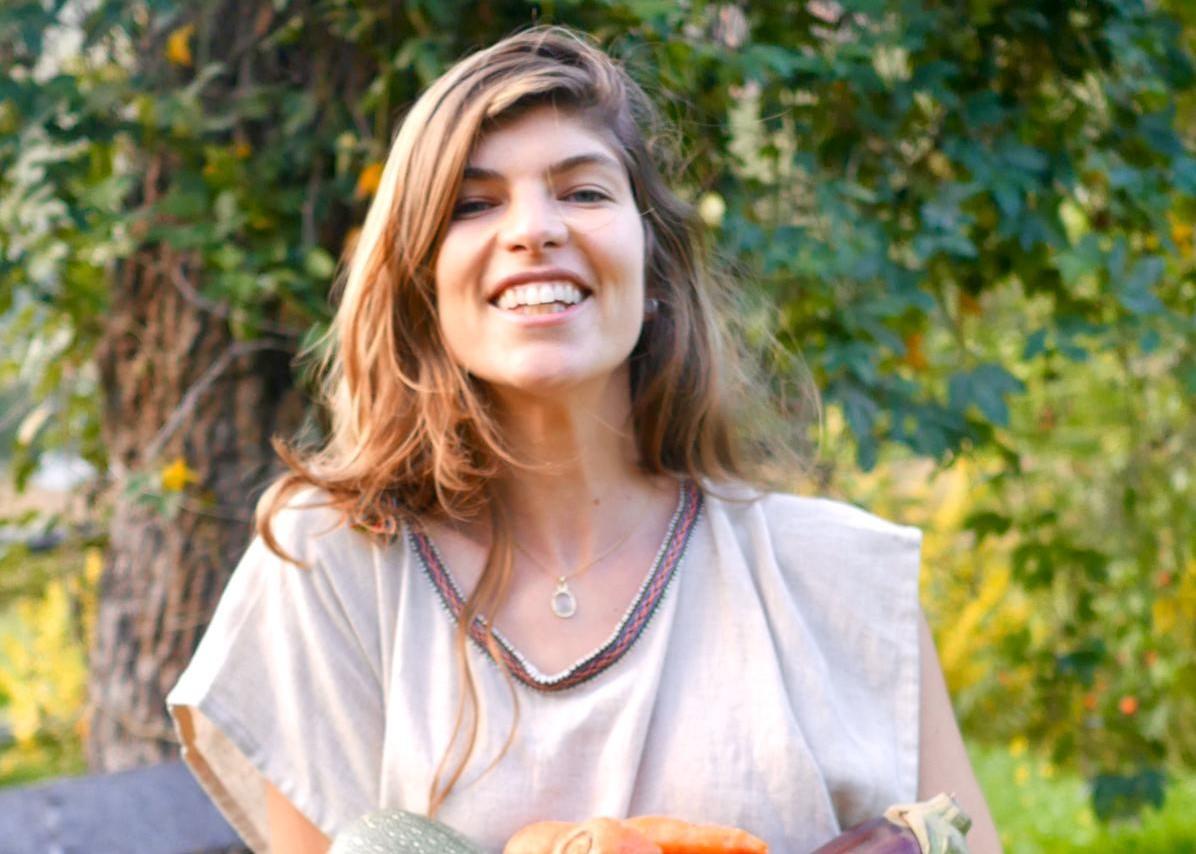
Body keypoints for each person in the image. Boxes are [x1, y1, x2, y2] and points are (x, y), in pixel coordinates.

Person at [166, 26, 1001, 854]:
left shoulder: (840, 577)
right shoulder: (329, 566)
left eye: (584, 192)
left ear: (653, 264)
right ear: (421, 284)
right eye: (473, 204)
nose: (534, 230)